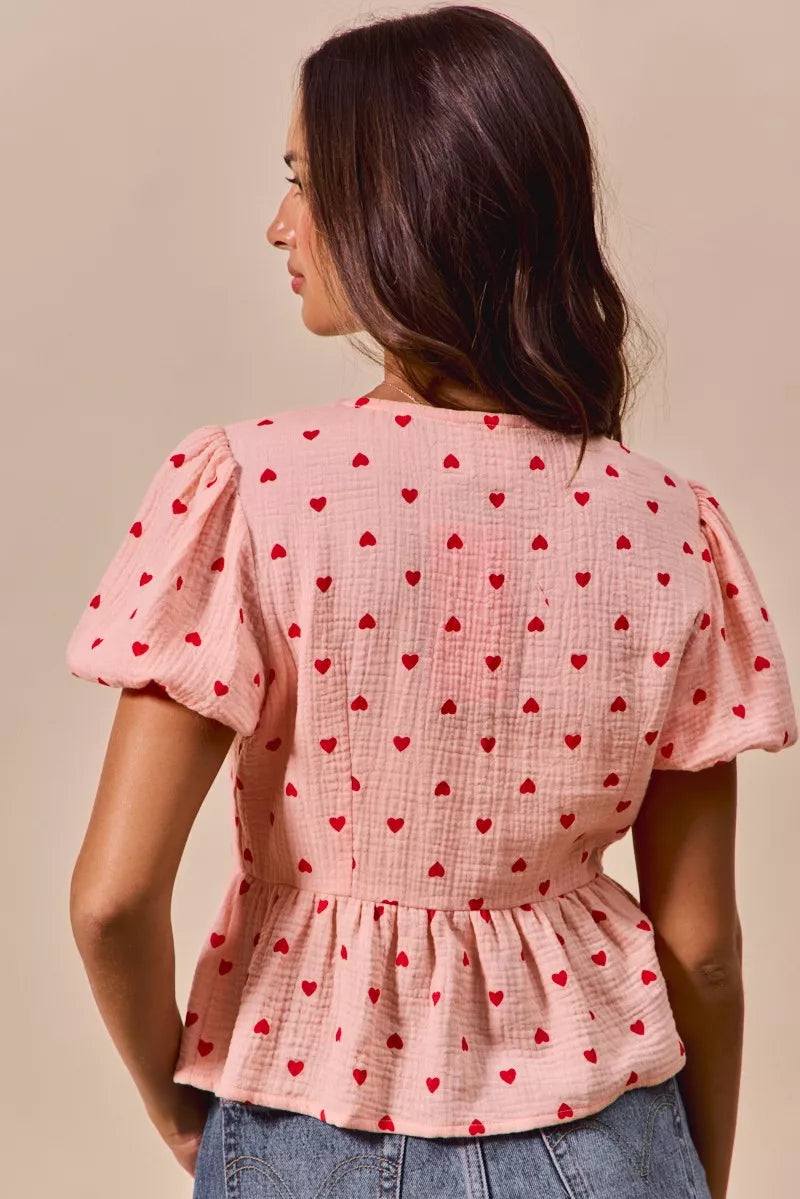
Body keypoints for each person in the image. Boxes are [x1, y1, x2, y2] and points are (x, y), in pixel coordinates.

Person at [66, 6, 797, 1198]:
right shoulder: (671, 526)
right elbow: (701, 945)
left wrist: (180, 1107)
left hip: (309, 1114)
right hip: (607, 1129)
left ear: (402, 201)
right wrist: (695, 1173)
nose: (277, 224)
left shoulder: (252, 491)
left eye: (304, 180)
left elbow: (112, 897)